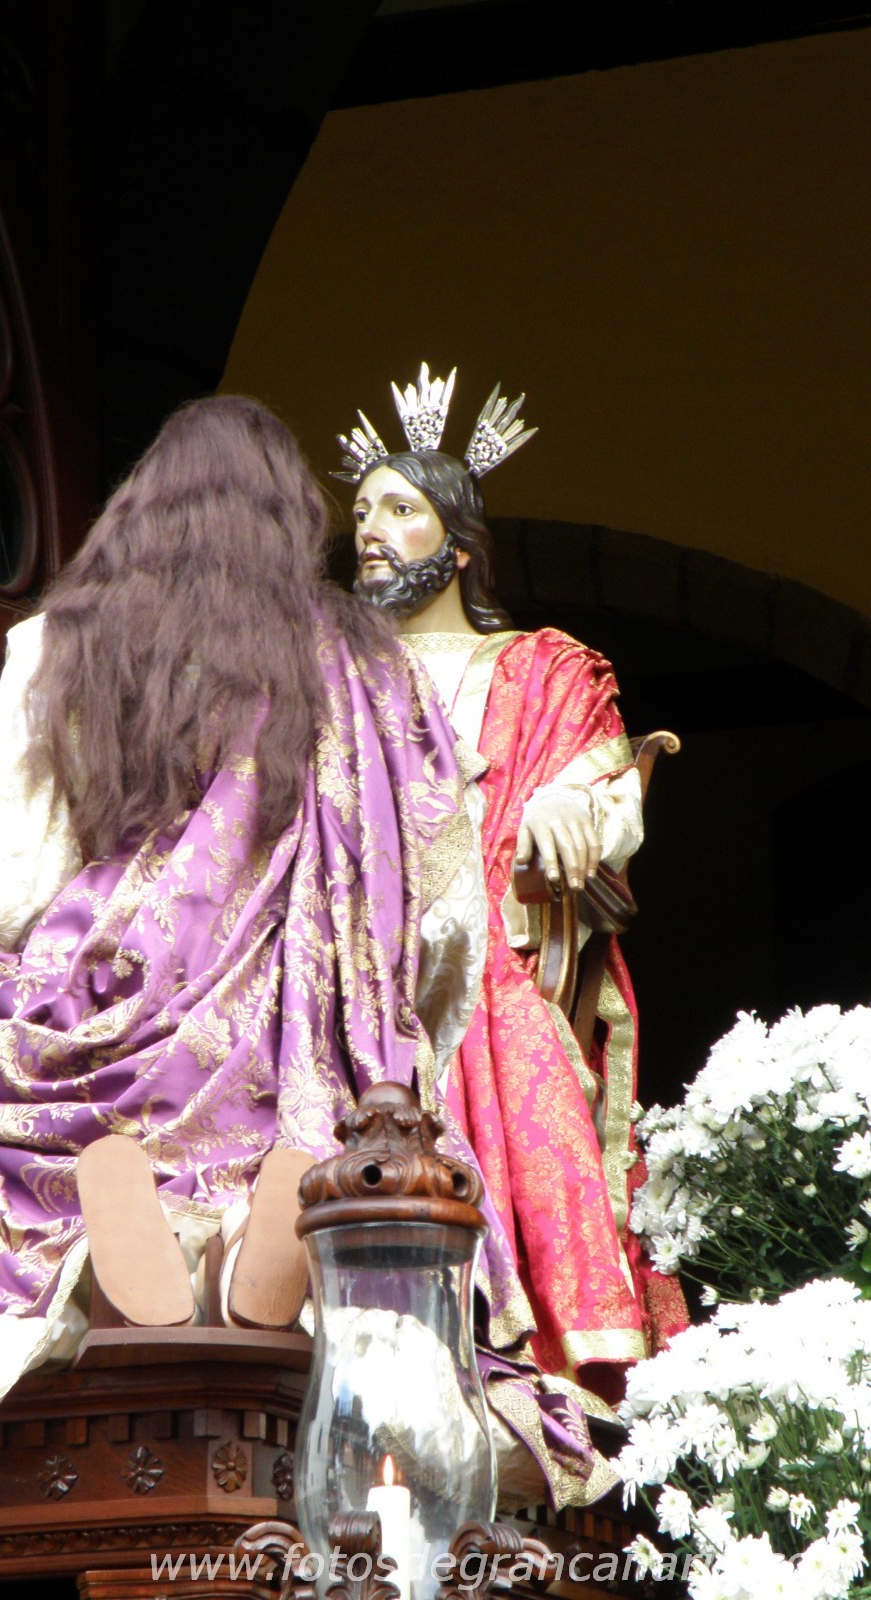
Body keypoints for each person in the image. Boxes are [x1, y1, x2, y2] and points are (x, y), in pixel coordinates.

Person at [0, 394, 538, 1465]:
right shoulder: (369, 664)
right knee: (322, 1133)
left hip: (107, 1015)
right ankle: (255, 1235)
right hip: (285, 1041)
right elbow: (442, 910)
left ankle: (102, 1253)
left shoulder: (59, 643)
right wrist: (396, 1036)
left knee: (44, 1161)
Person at [338, 365, 688, 1406]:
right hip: (350, 970)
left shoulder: (542, 667)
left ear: (459, 544)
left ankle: (541, 1384)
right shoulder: (326, 677)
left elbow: (609, 790)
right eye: (361, 512)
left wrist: (567, 805)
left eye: (399, 510)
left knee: (536, 1110)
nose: (370, 531)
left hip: (492, 960)